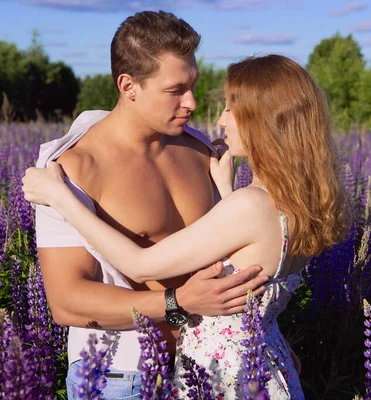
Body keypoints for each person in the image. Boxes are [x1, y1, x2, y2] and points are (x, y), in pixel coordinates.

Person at [23, 54, 347, 398]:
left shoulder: (249, 206)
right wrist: (226, 191)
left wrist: (62, 199)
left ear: (264, 121)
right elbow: (254, 259)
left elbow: (138, 264)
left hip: (226, 379)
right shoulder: (300, 205)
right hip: (269, 366)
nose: (221, 121)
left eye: (231, 108)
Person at [29, 11, 269, 398]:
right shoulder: (72, 169)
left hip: (208, 363)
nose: (191, 102)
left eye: (193, 85)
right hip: (120, 375)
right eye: (175, 90)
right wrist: (177, 302)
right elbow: (66, 301)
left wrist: (267, 334)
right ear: (129, 86)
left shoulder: (199, 150)